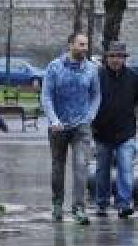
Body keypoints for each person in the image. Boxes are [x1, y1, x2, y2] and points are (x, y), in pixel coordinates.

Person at [41, 32, 101, 225]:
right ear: (70, 45)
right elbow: (46, 96)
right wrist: (53, 119)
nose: (84, 48)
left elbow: (96, 96)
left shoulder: (91, 69)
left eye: (86, 45)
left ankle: (79, 208)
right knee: (58, 167)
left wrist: (90, 116)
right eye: (80, 44)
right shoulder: (54, 67)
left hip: (81, 125)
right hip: (58, 126)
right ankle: (57, 203)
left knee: (81, 166)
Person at [92, 41, 138, 219]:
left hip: (126, 132)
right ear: (106, 58)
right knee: (102, 171)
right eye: (112, 56)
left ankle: (124, 204)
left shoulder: (135, 77)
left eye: (120, 56)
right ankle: (102, 203)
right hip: (102, 132)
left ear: (125, 58)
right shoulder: (97, 76)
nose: (116, 60)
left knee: (125, 169)